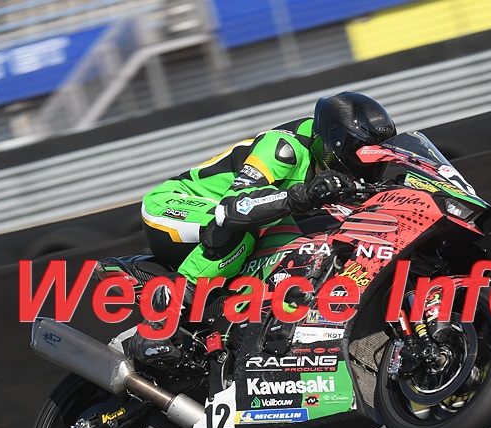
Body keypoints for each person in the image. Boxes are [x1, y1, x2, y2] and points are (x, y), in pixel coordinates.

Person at [98, 91, 397, 369]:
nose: (366, 170)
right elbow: (234, 208)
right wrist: (303, 195)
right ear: (335, 143)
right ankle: (156, 328)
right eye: (359, 156)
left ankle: (235, 331)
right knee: (242, 229)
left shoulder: (338, 171)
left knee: (302, 256)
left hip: (251, 219)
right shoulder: (284, 148)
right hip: (175, 205)